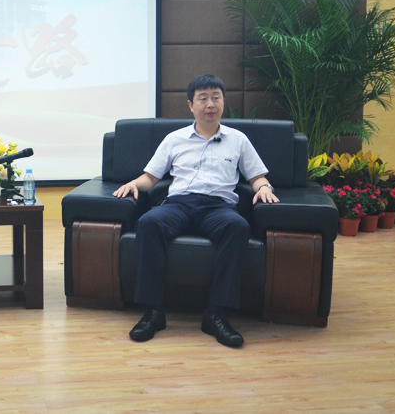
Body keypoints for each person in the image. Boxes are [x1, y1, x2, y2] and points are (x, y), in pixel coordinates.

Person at [112, 74, 279, 348]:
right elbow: (150, 178)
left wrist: (264, 188)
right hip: (179, 205)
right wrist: (133, 184)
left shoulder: (238, 140)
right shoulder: (174, 139)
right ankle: (153, 312)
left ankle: (216, 314)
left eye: (216, 97)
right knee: (149, 222)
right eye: (203, 98)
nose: (210, 104)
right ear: (191, 105)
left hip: (218, 208)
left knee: (238, 227)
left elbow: (257, 176)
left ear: (223, 102)